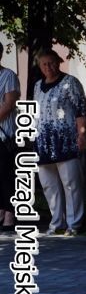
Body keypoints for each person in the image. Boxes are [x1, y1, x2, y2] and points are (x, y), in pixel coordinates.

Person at [34, 49, 86, 236]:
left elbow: (81, 110)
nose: (48, 67)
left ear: (58, 62)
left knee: (71, 184)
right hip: (44, 143)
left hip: (66, 142)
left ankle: (74, 224)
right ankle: (57, 222)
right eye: (44, 64)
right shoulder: (37, 86)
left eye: (51, 62)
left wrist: (82, 134)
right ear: (40, 66)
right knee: (49, 185)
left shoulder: (70, 82)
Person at [0, 51, 18, 231]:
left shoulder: (8, 75)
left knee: (5, 175)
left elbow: (9, 104)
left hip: (4, 135)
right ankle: (1, 210)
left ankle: (10, 213)